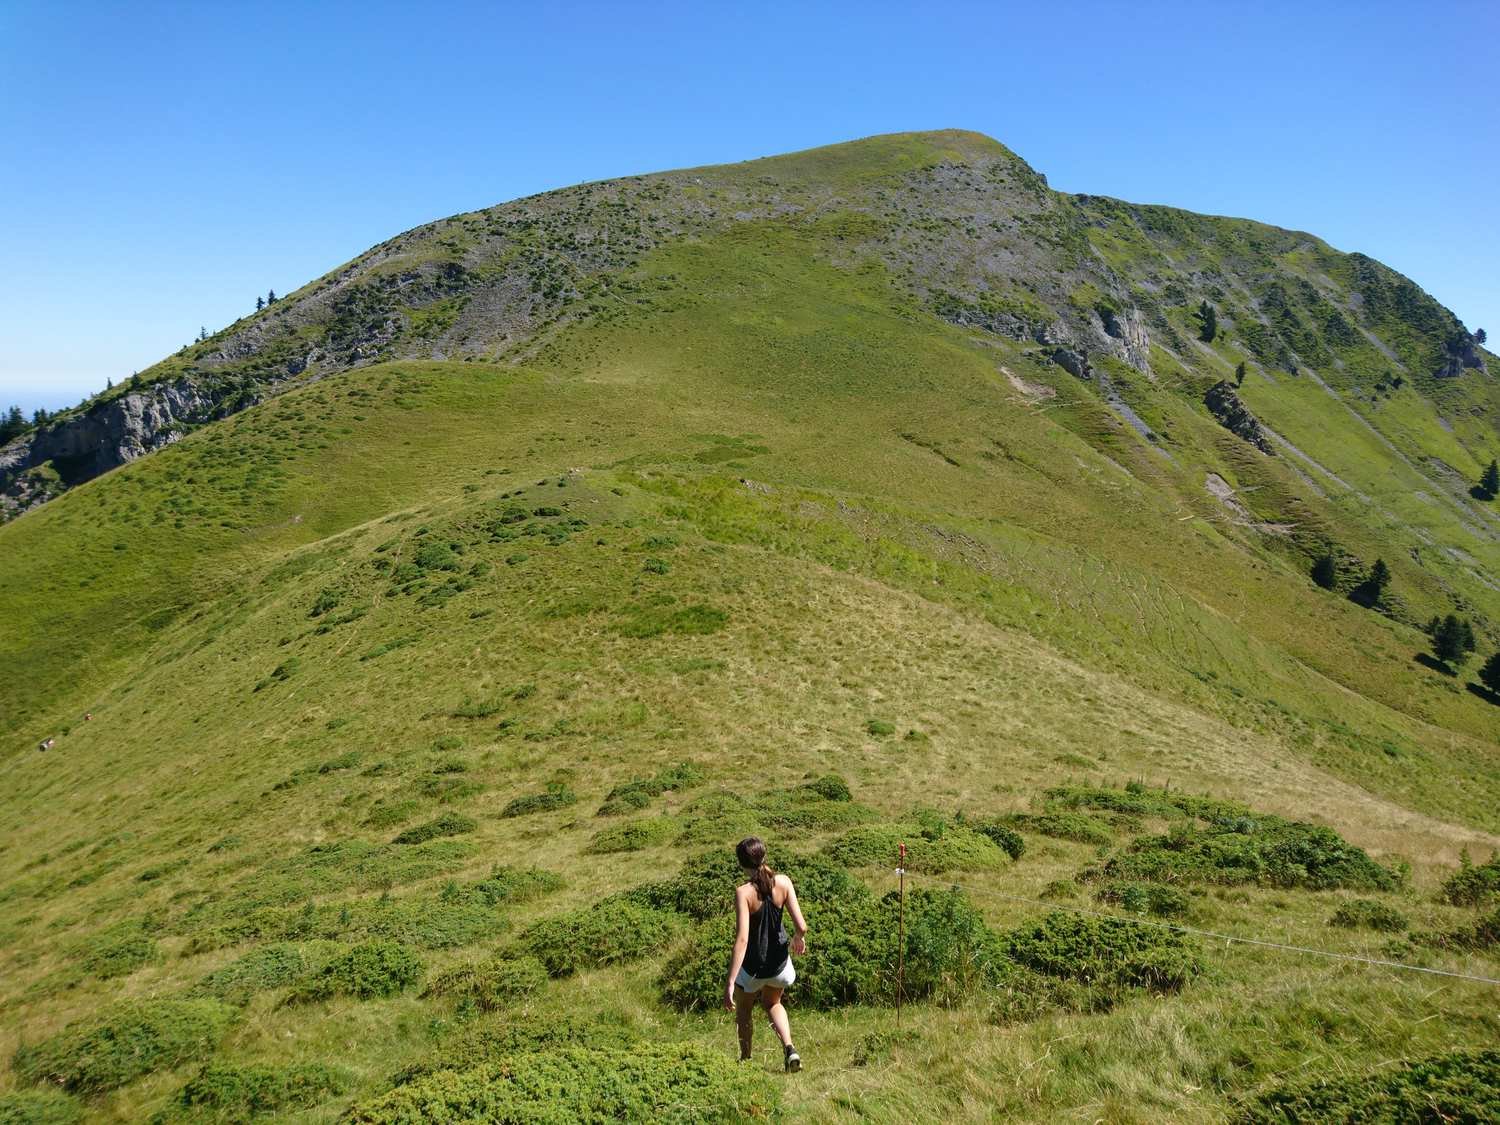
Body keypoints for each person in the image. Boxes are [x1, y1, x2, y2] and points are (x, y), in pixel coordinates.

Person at [723, 836, 807, 1072]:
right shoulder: (783, 882)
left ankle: (746, 1060)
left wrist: (730, 982)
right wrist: (798, 938)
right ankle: (790, 1049)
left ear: (742, 864)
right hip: (779, 964)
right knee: (773, 1003)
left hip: (754, 967)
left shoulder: (743, 892)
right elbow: (801, 925)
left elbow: (742, 939)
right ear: (764, 856)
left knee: (744, 1012)